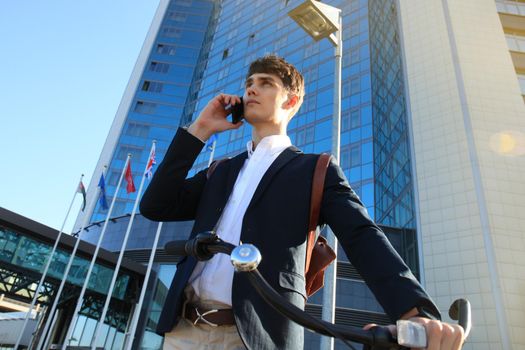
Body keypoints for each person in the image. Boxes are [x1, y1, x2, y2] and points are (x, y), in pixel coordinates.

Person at [140, 55, 465, 350]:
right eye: (249, 84)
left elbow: (362, 236)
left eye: (265, 84)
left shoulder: (315, 169)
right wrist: (200, 129)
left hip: (256, 338)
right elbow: (156, 205)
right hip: (183, 331)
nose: (252, 90)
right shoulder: (221, 169)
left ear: (292, 100)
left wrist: (413, 311)